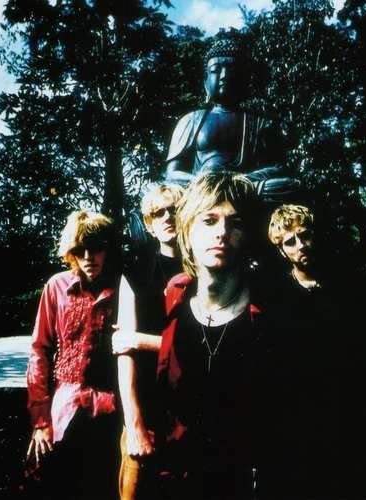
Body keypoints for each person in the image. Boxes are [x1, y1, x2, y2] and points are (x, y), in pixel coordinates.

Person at [257, 204, 366, 498]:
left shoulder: (351, 287)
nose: (300, 245)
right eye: (290, 242)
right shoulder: (273, 296)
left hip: (348, 420)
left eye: (305, 235)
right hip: (294, 427)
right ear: (282, 251)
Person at [155, 172, 265, 500]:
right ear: (187, 230)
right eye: (209, 220)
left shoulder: (271, 315)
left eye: (236, 223)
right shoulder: (173, 302)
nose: (222, 232)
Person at [26, 210, 122, 500]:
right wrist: (41, 421)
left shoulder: (122, 288)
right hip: (65, 408)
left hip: (111, 409)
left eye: (96, 248)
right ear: (71, 253)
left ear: (108, 249)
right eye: (80, 250)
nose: (89, 257)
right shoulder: (57, 286)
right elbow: (39, 350)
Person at [164, 35, 299, 203]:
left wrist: (238, 182)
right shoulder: (191, 120)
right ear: (205, 81)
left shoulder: (260, 122)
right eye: (216, 70)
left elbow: (278, 168)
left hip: (245, 189)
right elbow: (172, 174)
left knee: (289, 186)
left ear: (244, 78)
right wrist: (205, 182)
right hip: (200, 191)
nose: (224, 75)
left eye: (232, 70)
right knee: (157, 190)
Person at [112, 184, 183, 500]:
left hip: (191, 414)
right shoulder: (135, 273)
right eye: (158, 213)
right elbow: (122, 351)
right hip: (147, 412)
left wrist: (141, 340)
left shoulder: (206, 271)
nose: (167, 217)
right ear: (149, 224)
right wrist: (134, 424)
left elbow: (206, 345)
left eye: (174, 210)